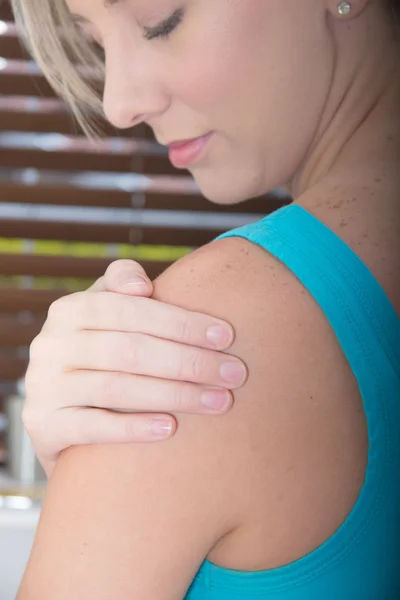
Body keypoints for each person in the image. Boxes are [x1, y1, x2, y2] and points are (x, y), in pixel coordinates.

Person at [12, 0, 400, 598]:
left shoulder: (200, 336)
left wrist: (96, 478)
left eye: (159, 21)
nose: (118, 105)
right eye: (96, 43)